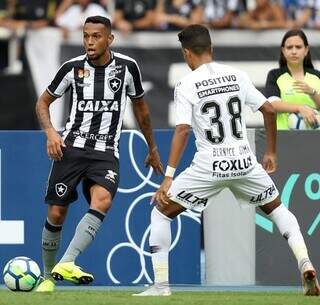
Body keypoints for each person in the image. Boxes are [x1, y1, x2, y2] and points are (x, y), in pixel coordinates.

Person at [134, 24, 320, 296]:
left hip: (210, 165)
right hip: (244, 163)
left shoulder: (187, 84)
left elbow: (183, 129)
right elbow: (268, 109)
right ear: (212, 49)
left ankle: (161, 286)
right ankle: (305, 263)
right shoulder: (236, 75)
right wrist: (271, 152)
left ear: (187, 54)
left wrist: (168, 177)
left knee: (160, 212)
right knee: (279, 210)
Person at [35, 15, 163, 292]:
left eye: (96, 36)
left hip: (106, 151)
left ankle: (67, 261)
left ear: (109, 39)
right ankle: (48, 276)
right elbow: (43, 102)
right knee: (57, 213)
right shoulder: (72, 68)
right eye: (86, 36)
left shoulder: (128, 68)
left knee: (102, 201)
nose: (90, 42)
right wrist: (51, 133)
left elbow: (141, 110)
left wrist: (152, 147)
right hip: (71, 149)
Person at [265, 29, 320, 130]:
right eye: (289, 47)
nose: (294, 51)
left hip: (315, 139)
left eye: (298, 47)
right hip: (284, 138)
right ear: (283, 51)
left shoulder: (317, 76)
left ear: (306, 50)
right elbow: (272, 105)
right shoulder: (275, 75)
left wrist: (313, 93)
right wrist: (300, 108)